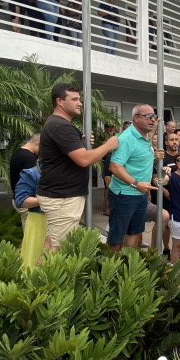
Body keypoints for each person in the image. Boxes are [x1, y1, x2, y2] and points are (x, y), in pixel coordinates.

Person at [36, 84, 119, 249]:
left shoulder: (59, 124)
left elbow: (70, 153)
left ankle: (36, 273)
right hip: (62, 198)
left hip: (60, 196)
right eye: (74, 99)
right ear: (59, 101)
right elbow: (83, 159)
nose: (80, 103)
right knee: (58, 248)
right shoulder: (60, 125)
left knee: (51, 242)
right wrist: (109, 145)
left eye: (79, 99)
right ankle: (45, 275)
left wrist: (81, 142)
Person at [107, 104, 158, 251]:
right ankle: (111, 270)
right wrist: (136, 184)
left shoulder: (145, 135)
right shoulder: (127, 138)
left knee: (135, 232)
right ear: (135, 118)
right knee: (116, 238)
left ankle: (129, 268)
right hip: (124, 195)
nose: (152, 120)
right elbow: (114, 166)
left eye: (153, 116)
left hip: (140, 194)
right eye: (148, 117)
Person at [13, 164, 49, 268]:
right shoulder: (32, 173)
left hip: (61, 221)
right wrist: (46, 200)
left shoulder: (65, 171)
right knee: (33, 263)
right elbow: (20, 200)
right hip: (39, 223)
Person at [160, 152, 180, 263]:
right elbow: (162, 182)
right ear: (175, 163)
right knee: (177, 247)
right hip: (178, 216)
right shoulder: (172, 176)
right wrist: (163, 172)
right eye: (178, 160)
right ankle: (174, 275)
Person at [10, 133, 40, 230]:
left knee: (28, 233)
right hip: (28, 201)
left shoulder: (18, 153)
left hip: (19, 198)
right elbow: (35, 180)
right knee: (30, 234)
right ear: (37, 144)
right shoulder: (29, 158)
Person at [101, 123, 118, 215]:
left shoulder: (116, 136)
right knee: (107, 186)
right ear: (105, 128)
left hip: (116, 161)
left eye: (113, 127)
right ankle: (107, 208)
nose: (111, 129)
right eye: (109, 127)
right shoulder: (101, 136)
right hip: (106, 163)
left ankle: (114, 206)